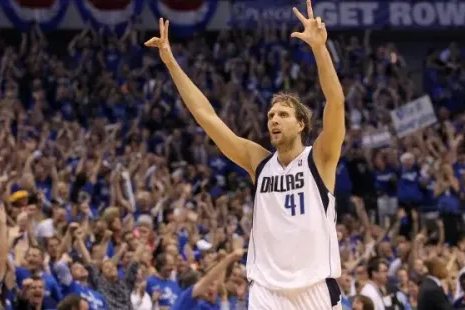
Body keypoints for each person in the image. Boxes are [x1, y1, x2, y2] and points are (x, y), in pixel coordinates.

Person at [145, 0, 344, 308]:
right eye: (270, 115)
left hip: (313, 287)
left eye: (282, 114)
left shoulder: (320, 158)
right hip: (266, 289)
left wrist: (320, 49)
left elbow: (335, 102)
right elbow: (206, 116)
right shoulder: (258, 162)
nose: (273, 119)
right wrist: (171, 63)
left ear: (301, 123)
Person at [172, 249, 245, 310]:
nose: (207, 287)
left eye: (212, 285)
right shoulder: (186, 299)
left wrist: (240, 299)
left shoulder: (210, 304)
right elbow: (209, 278)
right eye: (208, 284)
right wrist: (230, 258)